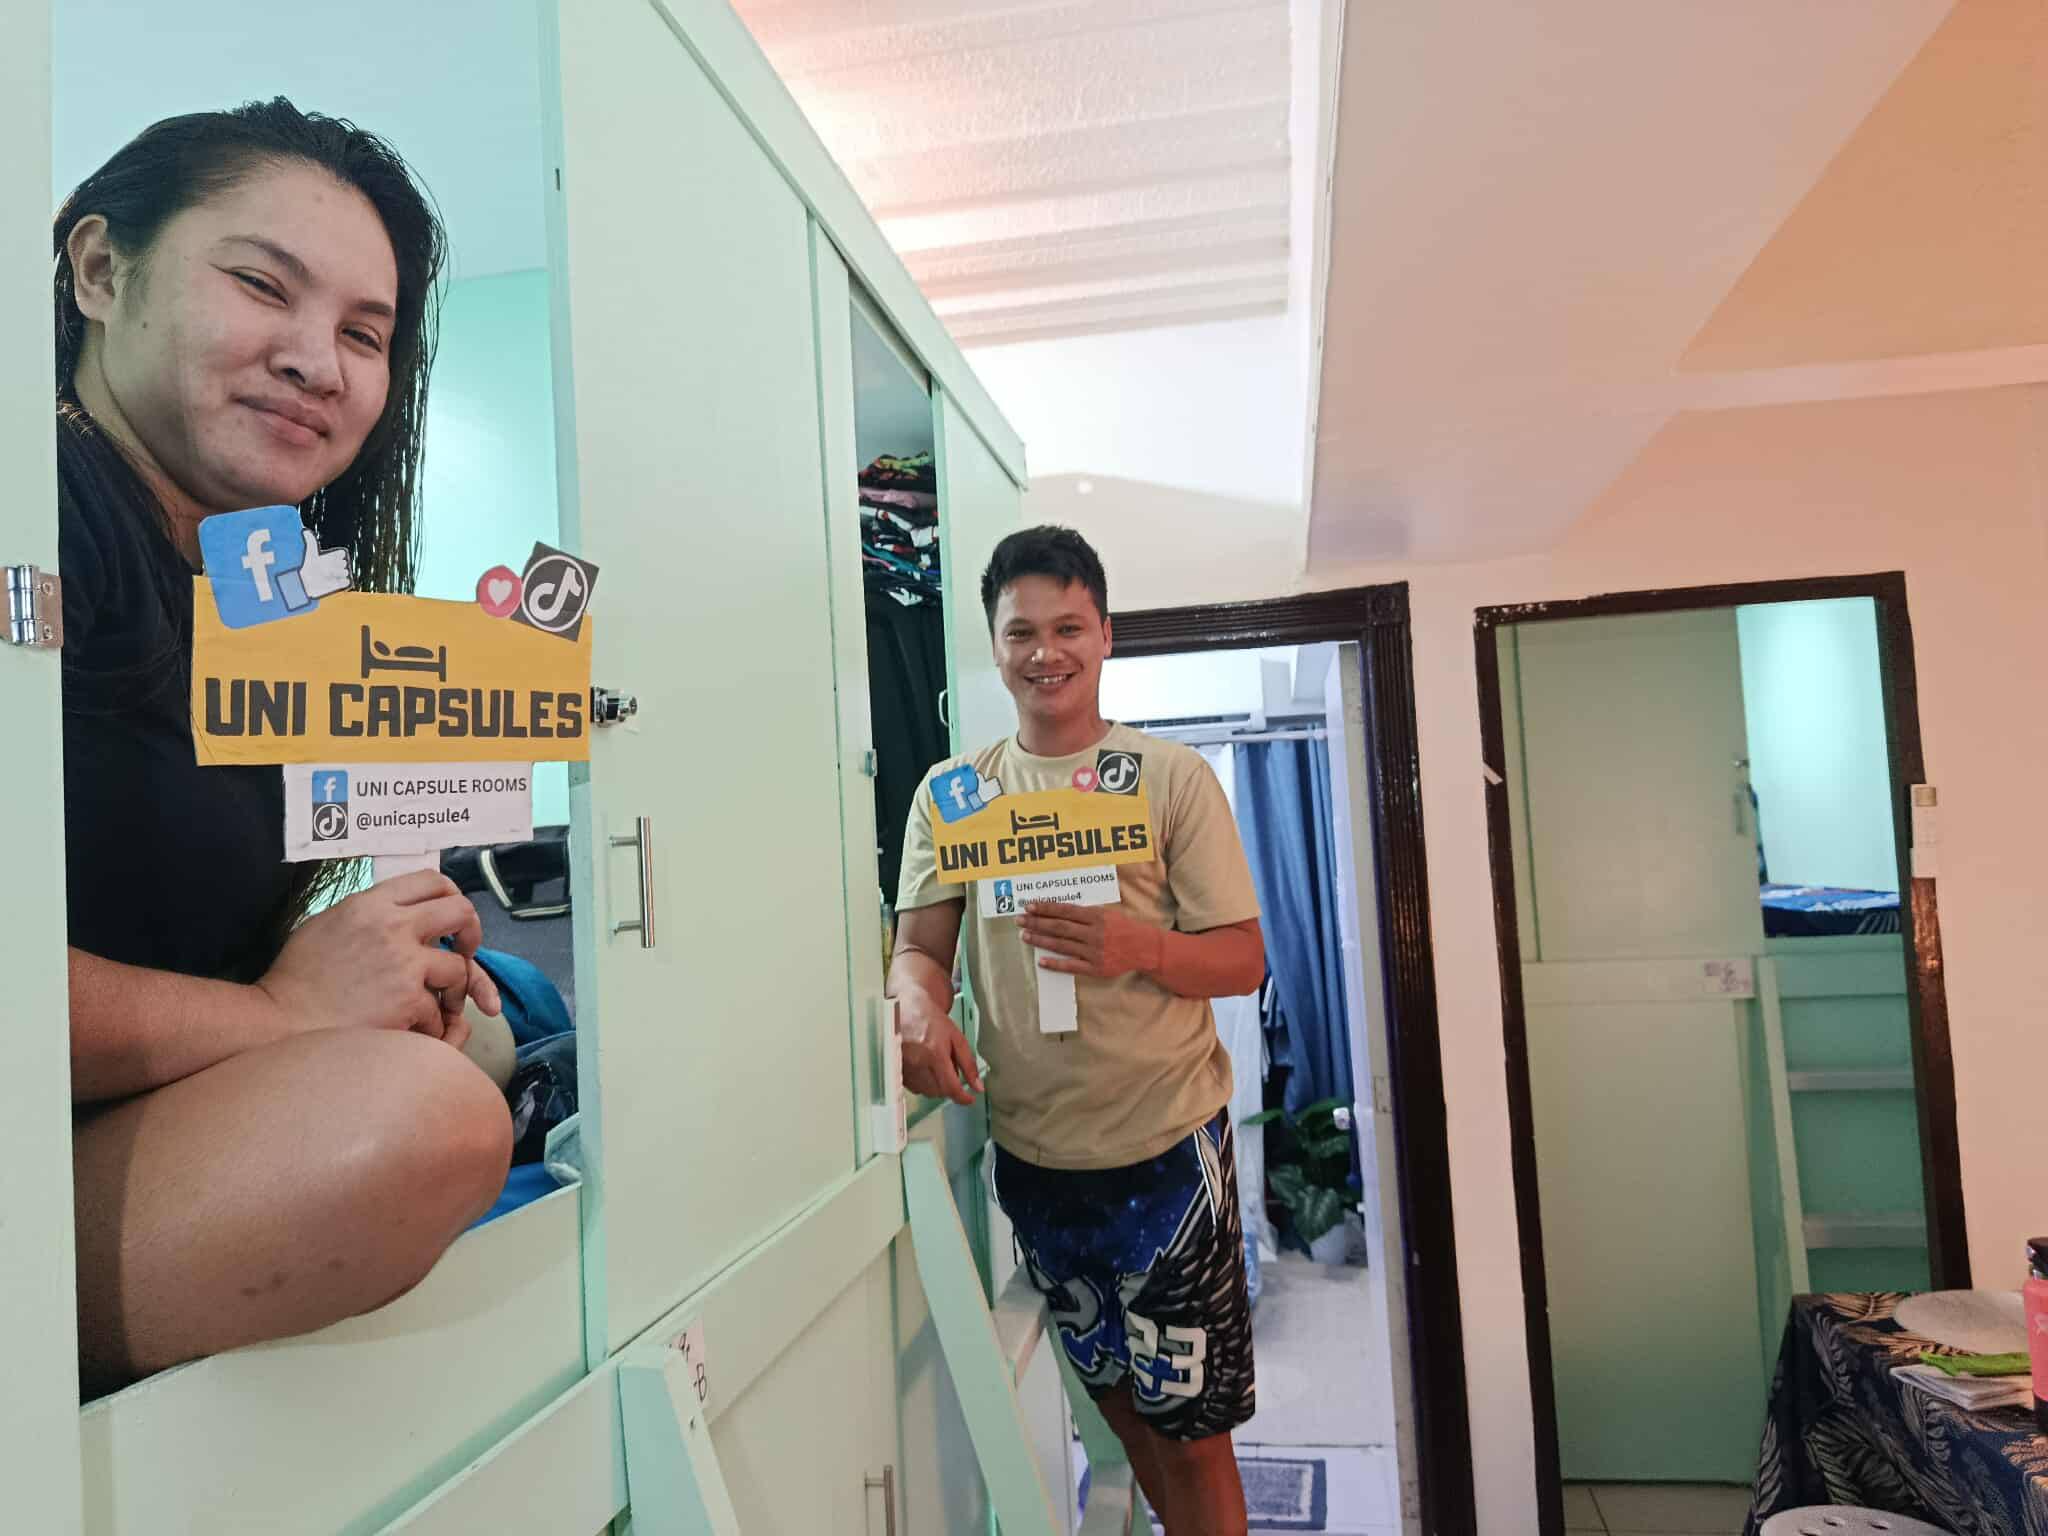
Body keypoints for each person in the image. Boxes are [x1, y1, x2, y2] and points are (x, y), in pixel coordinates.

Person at [56, 99, 514, 1397]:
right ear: (101, 270)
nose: (320, 362)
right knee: (423, 1111)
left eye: (366, 336)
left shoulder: (260, 595)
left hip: (116, 1125)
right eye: (263, 283)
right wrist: (281, 1011)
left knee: (464, 1044)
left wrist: (358, 961)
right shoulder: (40, 513)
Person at [889, 526, 1267, 1536]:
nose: (1043, 651)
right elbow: (917, 954)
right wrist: (918, 1008)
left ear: (1104, 637)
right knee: (1118, 1410)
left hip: (1165, 1153)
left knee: (1192, 1429)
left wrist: (1133, 948)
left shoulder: (1167, 779)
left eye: (1066, 627)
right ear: (993, 643)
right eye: (1021, 631)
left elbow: (1243, 959)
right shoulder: (952, 797)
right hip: (1037, 1161)